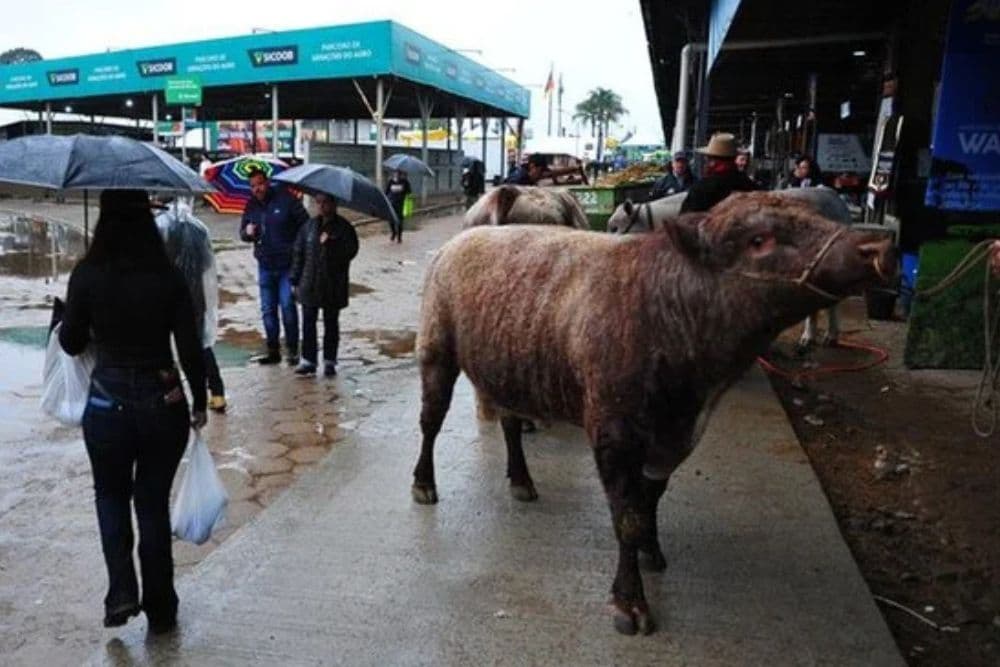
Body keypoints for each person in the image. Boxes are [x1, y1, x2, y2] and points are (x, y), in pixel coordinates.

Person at [59, 189, 206, 635]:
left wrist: (74, 316)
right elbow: (189, 346)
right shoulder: (168, 276)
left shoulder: (87, 273)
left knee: (110, 496)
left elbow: (71, 343)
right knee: (152, 504)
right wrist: (200, 401)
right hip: (163, 401)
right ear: (145, 220)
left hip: (107, 402)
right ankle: (161, 607)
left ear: (104, 219)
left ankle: (121, 591)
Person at [155, 198, 228, 413]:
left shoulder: (161, 227)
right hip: (197, 296)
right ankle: (217, 393)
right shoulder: (199, 228)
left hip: (168, 296)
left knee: (163, 346)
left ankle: (170, 396)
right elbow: (207, 264)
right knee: (201, 343)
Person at [239, 168, 309, 365]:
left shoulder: (286, 200)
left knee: (287, 307)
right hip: (265, 266)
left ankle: (293, 350)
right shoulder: (251, 205)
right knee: (268, 310)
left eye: (260, 184)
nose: (257, 189)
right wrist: (247, 232)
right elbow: (242, 233)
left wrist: (297, 251)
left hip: (287, 266)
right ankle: (273, 350)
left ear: (267, 182)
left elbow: (305, 226)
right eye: (253, 186)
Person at [290, 193, 360, 377]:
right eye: (318, 202)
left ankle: (329, 360)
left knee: (331, 323)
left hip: (332, 284)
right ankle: (308, 360)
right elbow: (299, 252)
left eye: (325, 202)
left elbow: (350, 251)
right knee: (308, 322)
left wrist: (331, 244)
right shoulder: (309, 226)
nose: (321, 206)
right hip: (310, 282)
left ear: (334, 204)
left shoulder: (344, 228)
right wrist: (294, 279)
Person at [680, 133, 760, 213]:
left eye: (707, 159)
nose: (705, 163)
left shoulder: (702, 189)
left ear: (712, 162)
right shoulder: (749, 185)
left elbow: (685, 217)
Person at [384, 169, 410, 243]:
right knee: (391, 219)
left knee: (400, 220)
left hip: (401, 204)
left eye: (398, 173)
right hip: (391, 203)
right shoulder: (391, 181)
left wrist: (403, 190)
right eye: (395, 173)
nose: (396, 175)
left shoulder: (405, 182)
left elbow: (409, 191)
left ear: (401, 174)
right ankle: (393, 232)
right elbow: (386, 192)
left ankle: (399, 237)